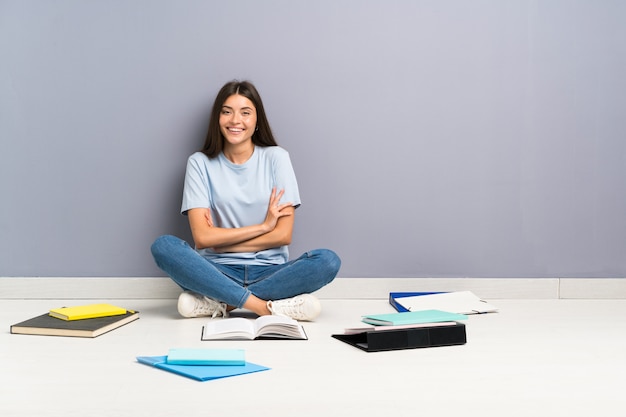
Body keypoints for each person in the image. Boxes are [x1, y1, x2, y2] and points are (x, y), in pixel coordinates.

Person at [151, 80, 341, 321]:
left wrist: (220, 241)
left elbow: (283, 235)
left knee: (327, 261)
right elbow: (202, 239)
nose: (235, 120)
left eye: (245, 112)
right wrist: (263, 227)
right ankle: (265, 307)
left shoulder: (277, 159)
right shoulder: (199, 163)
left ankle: (223, 303)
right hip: (216, 271)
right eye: (227, 112)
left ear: (257, 119)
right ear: (217, 118)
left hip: (272, 271)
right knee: (163, 246)